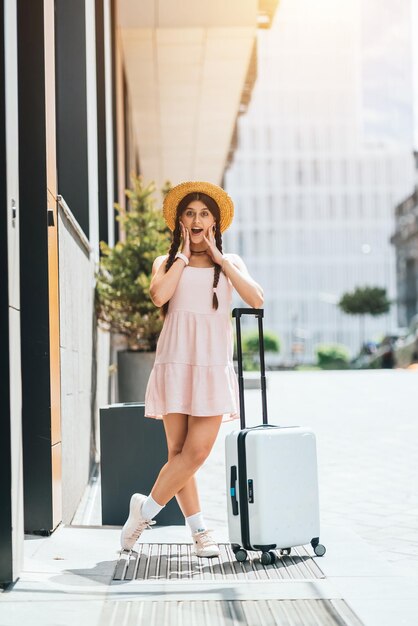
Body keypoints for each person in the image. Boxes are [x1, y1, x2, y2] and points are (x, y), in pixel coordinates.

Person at [120, 181, 264, 557]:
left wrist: (220, 259)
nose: (197, 219)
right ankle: (200, 532)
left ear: (215, 221)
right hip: (175, 363)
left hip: (212, 366)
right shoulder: (166, 263)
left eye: (204, 214)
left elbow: (257, 299)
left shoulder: (230, 262)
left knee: (195, 454)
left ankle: (143, 512)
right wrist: (183, 257)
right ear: (180, 221)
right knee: (178, 452)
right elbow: (158, 296)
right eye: (189, 213)